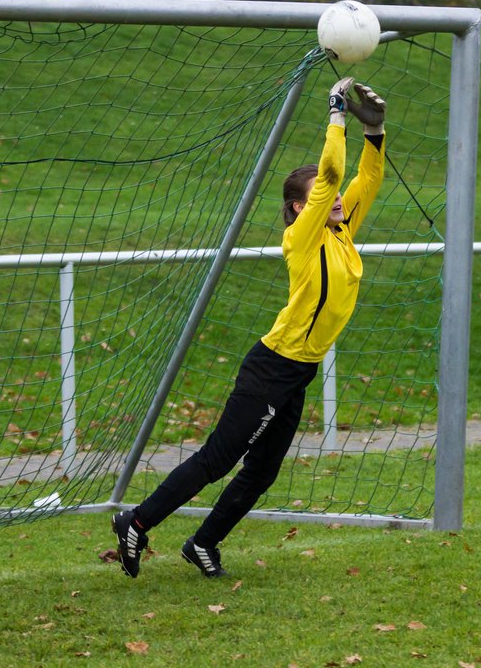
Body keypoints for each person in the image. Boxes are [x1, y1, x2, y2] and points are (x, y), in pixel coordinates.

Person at [111, 77, 387, 579]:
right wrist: (336, 116)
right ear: (303, 208)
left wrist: (376, 133)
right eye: (325, 198)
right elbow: (331, 174)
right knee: (218, 458)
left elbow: (363, 183)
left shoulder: (342, 229)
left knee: (261, 471)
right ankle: (136, 521)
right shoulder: (302, 237)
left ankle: (202, 543)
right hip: (272, 367)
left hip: (299, 371)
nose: (339, 201)